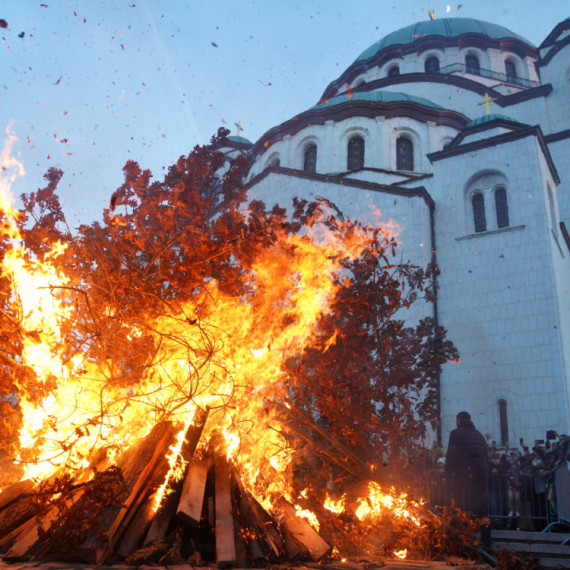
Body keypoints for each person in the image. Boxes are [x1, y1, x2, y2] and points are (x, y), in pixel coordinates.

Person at [445, 411, 489, 516]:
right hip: (481, 471)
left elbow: (451, 455)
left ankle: (462, 529)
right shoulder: (479, 435)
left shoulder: (455, 433)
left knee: (460, 501)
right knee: (481, 502)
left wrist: (447, 474)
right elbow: (486, 456)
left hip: (464, 471)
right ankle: (485, 529)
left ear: (458, 420)